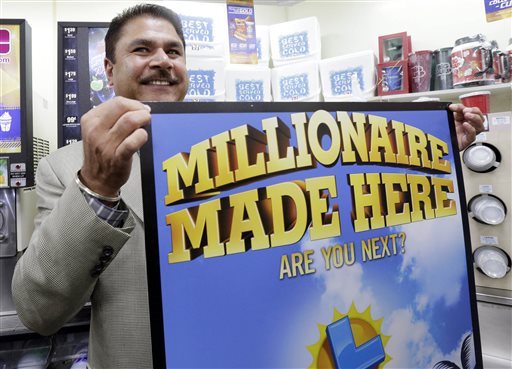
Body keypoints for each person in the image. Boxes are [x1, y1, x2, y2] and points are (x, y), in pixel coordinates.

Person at [12, 3, 484, 369]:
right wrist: (97, 188)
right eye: (142, 50)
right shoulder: (68, 168)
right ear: (110, 71)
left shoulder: (252, 145)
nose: (161, 61)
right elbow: (39, 310)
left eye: (173, 51)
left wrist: (439, 152)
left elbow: (347, 199)